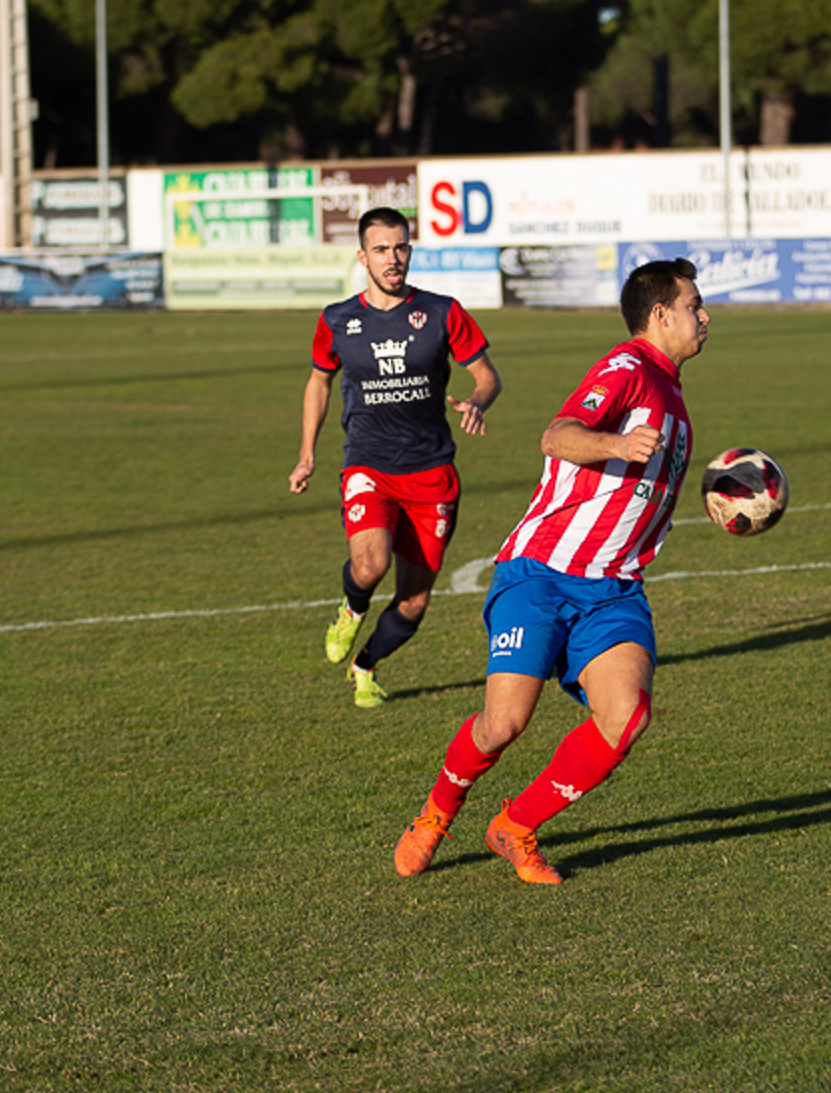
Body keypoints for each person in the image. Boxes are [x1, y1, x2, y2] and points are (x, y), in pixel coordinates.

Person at [393, 258, 709, 885]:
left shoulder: (673, 398)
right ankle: (435, 813)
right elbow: (557, 435)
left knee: (627, 715)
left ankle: (514, 826)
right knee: (503, 723)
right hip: (541, 573)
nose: (705, 316)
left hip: (613, 588)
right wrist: (617, 444)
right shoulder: (627, 370)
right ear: (660, 315)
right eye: (694, 305)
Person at [289, 206, 501, 707]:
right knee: (369, 565)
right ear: (362, 256)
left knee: (414, 601)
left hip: (432, 473)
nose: (393, 257)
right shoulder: (337, 320)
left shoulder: (443, 312)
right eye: (382, 249)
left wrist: (478, 400)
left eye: (401, 247)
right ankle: (351, 608)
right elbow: (319, 383)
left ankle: (366, 667)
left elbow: (487, 375)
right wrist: (306, 456)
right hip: (369, 464)